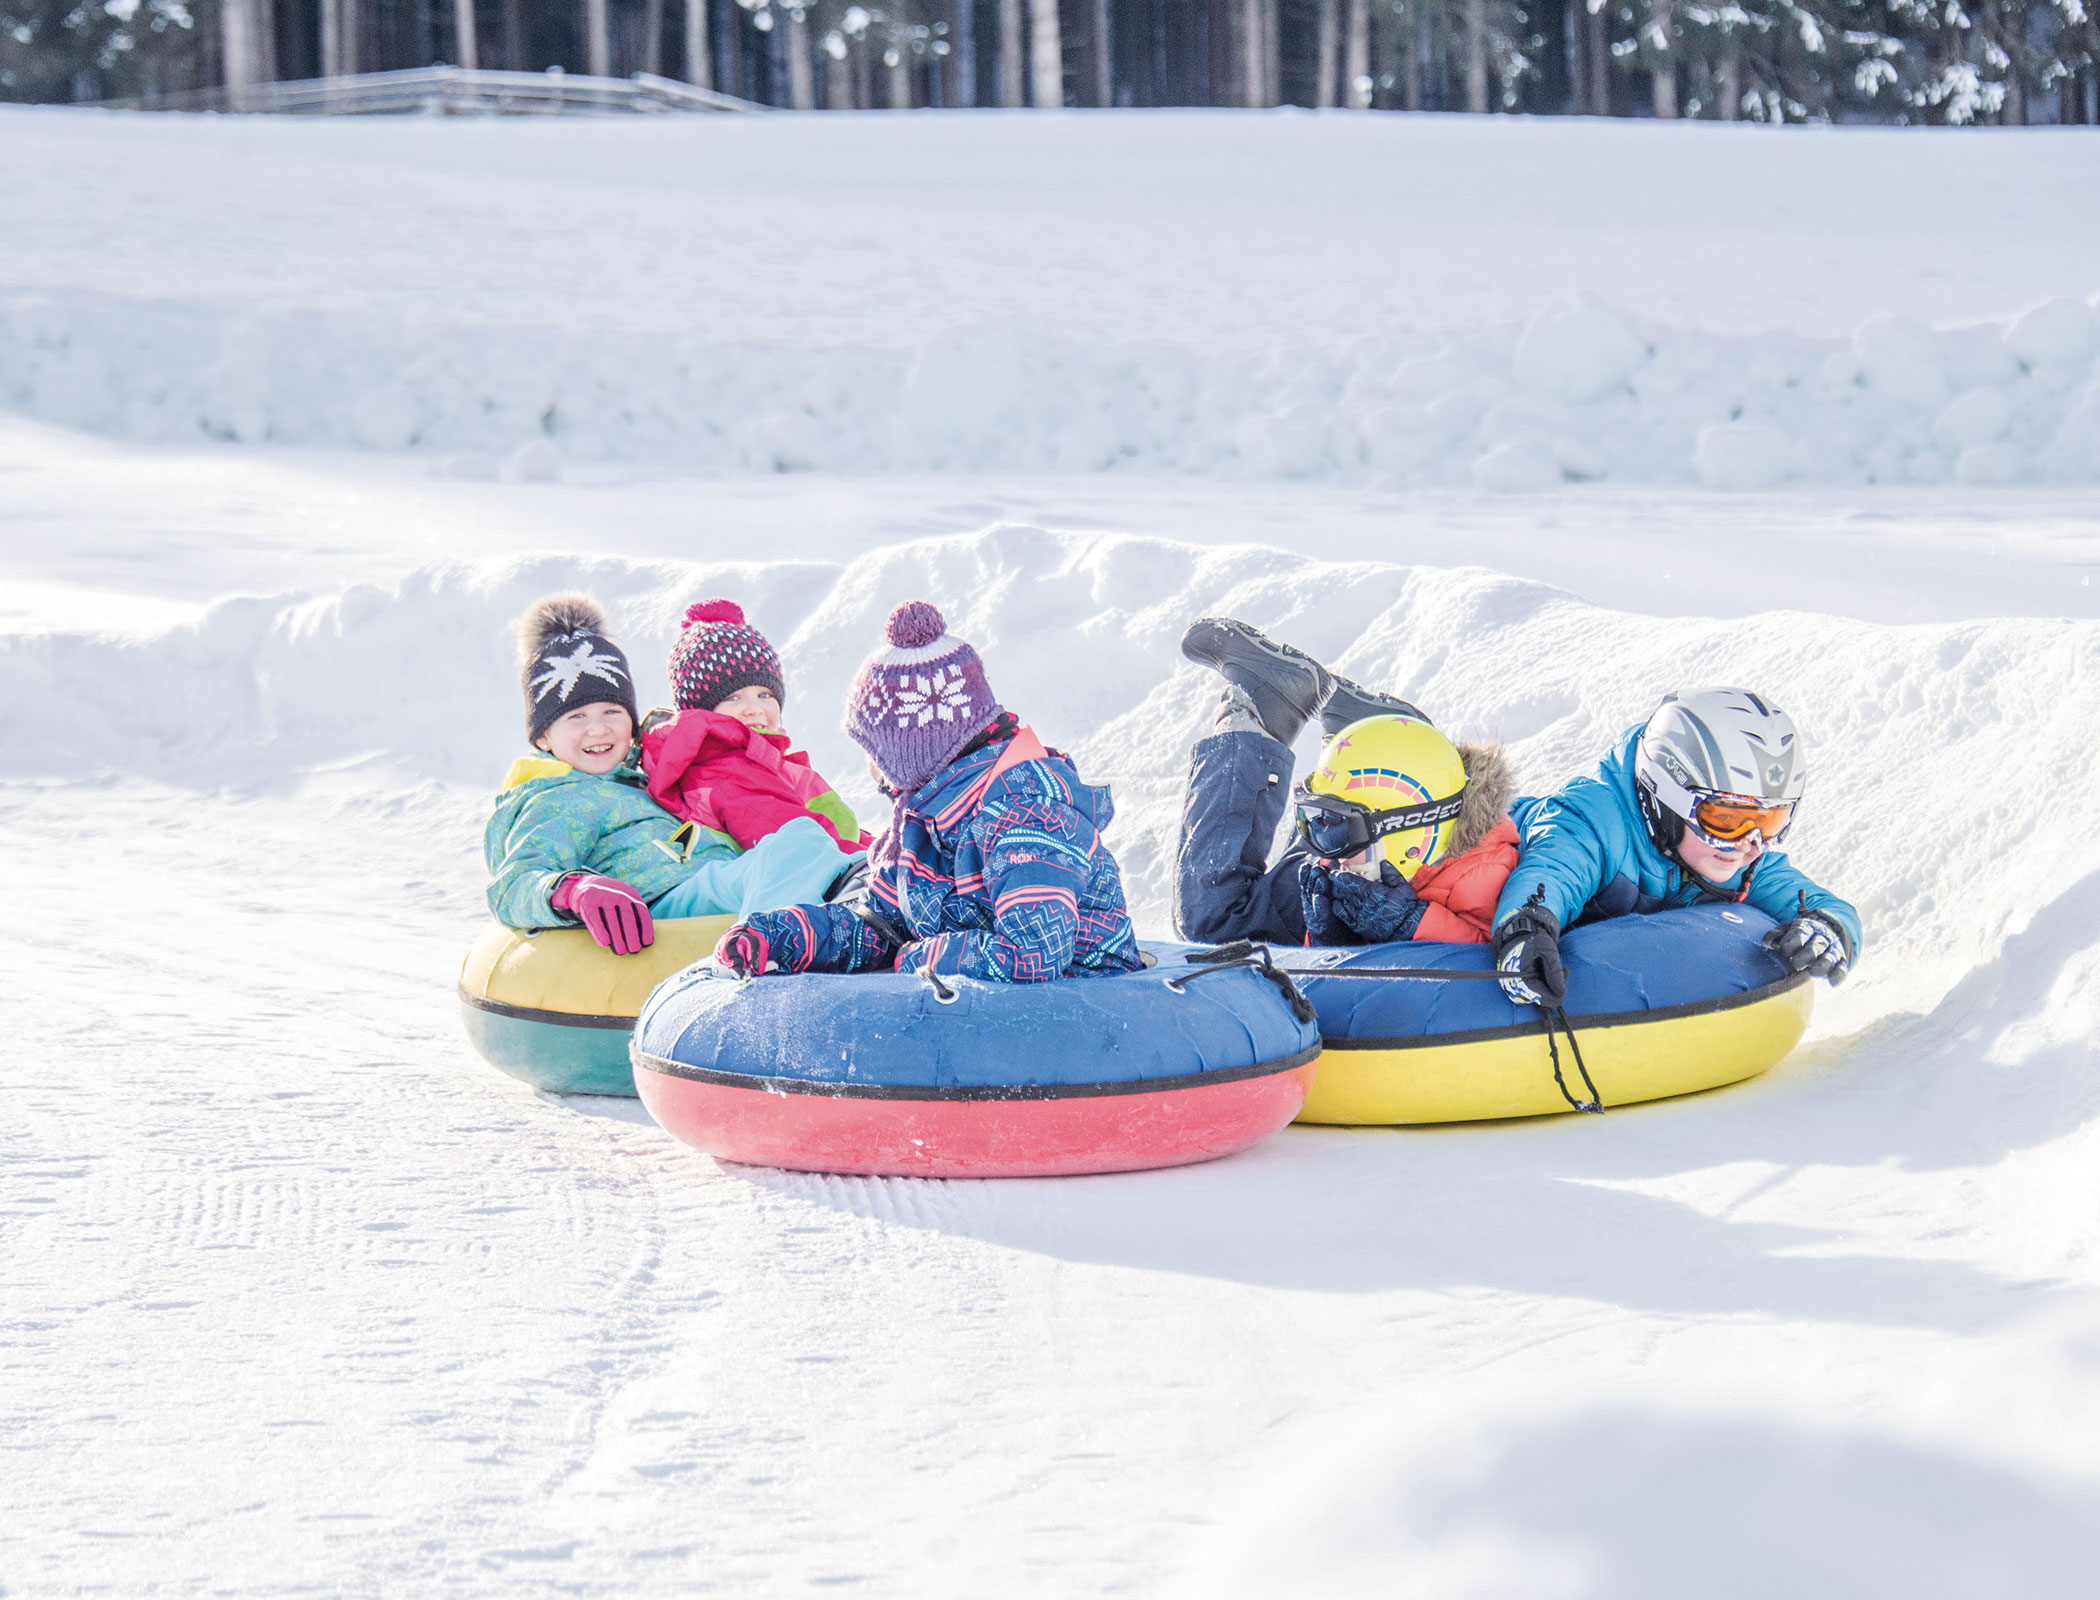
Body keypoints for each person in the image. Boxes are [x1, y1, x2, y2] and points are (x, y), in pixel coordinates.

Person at [712, 600, 1141, 983]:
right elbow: (877, 928)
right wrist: (781, 937)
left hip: (1083, 1015)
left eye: (874, 749)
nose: (872, 767)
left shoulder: (1026, 817)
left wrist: (919, 956)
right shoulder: (924, 823)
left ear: (912, 750)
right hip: (984, 1018)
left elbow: (1032, 957)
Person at [484, 594, 852, 957]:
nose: (598, 730)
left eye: (612, 712)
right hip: (662, 905)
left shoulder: (642, 780)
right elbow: (513, 883)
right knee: (799, 841)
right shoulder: (555, 797)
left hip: (708, 886)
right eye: (576, 717)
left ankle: (842, 927)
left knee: (807, 842)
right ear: (543, 737)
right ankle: (771, 956)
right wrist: (573, 890)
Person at [1491, 688, 1862, 1008]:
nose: (1748, 844)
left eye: (1769, 823)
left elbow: (1822, 904)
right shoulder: (1593, 820)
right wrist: (1525, 931)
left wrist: (1828, 929)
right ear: (1666, 801)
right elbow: (1552, 873)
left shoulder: (1742, 862)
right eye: (1726, 818)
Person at [1172, 617, 1519, 948]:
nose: (1317, 847)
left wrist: (1406, 926)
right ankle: (1365, 737)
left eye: (1329, 825)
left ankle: (1265, 709)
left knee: (1210, 925)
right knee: (1215, 920)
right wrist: (1332, 938)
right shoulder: (1376, 853)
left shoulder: (1482, 882)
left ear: (1408, 837)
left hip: (1376, 874)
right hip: (1368, 867)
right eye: (1312, 819)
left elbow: (1493, 968)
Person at [641, 599, 871, 854]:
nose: (754, 708)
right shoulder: (728, 773)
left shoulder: (755, 759)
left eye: (764, 695)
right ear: (701, 711)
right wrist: (874, 862)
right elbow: (801, 845)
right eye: (733, 698)